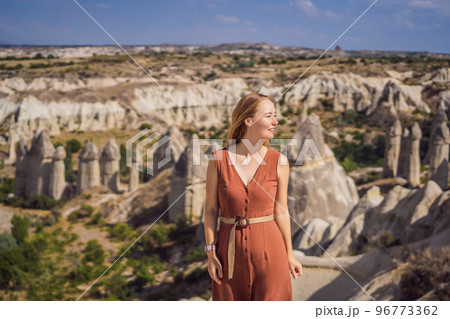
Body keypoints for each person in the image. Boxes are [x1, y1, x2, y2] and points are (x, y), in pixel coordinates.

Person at [203, 92, 303, 301]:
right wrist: (211, 253)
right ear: (248, 121)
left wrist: (289, 255)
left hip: (271, 254)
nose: (275, 121)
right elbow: (211, 210)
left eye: (275, 115)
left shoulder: (280, 162)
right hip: (228, 257)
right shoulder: (218, 160)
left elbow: (282, 212)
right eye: (268, 116)